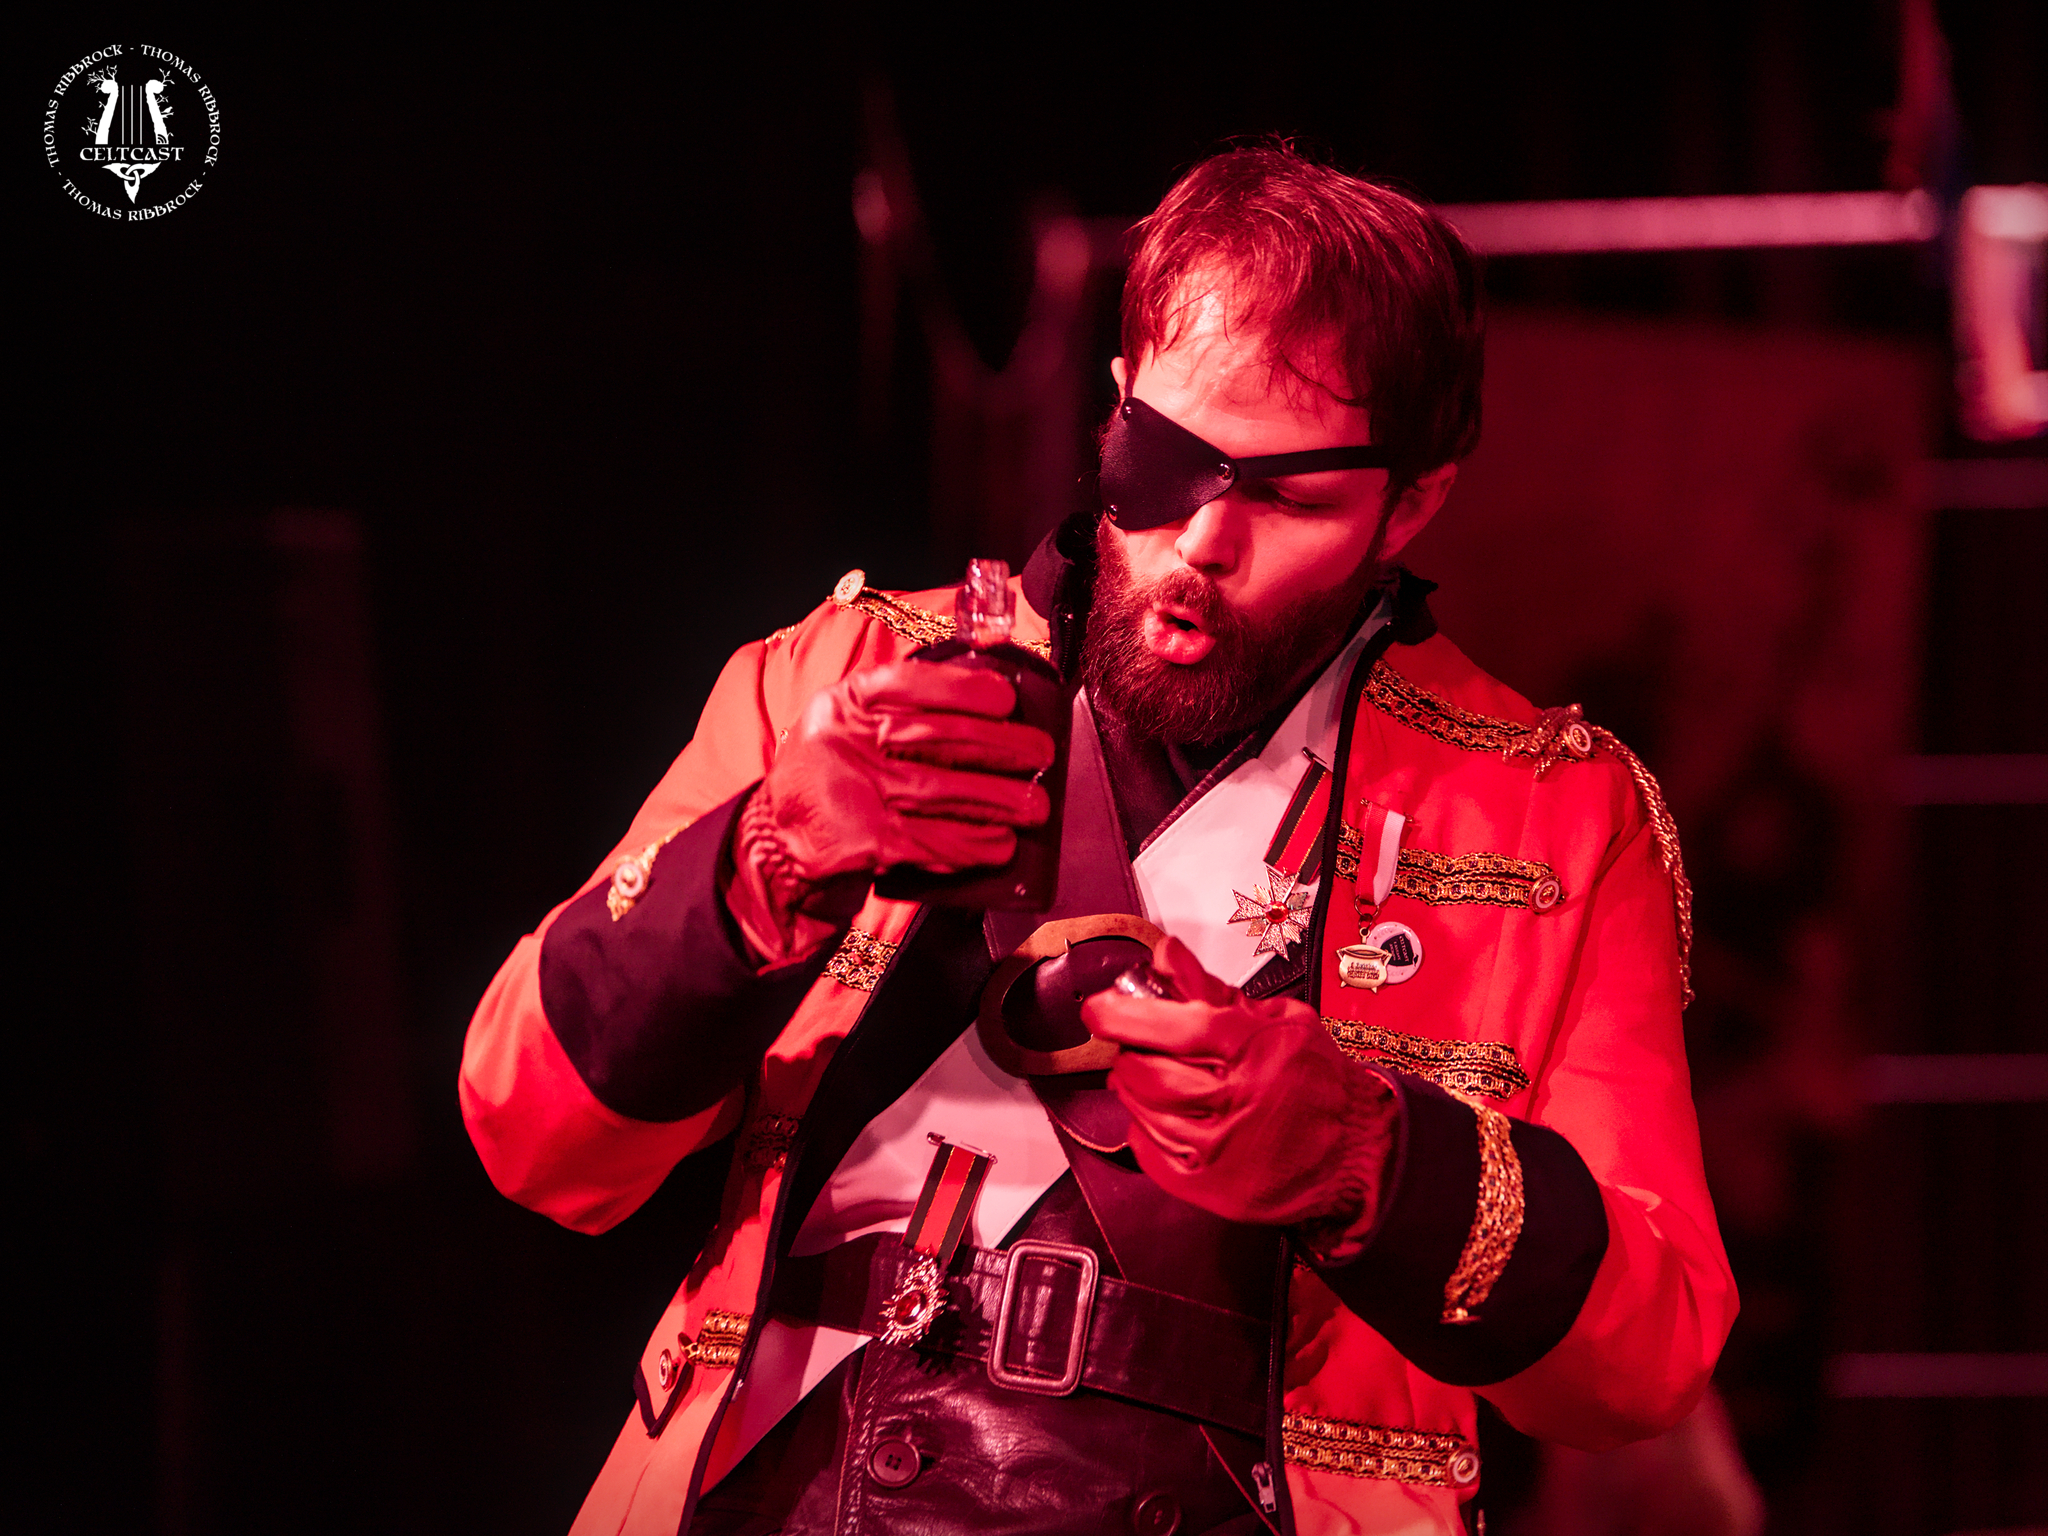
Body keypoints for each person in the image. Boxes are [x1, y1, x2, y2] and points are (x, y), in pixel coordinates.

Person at [460, 147, 1737, 1536]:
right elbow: (530, 1135)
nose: (1201, 541)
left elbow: (1648, 1353)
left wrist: (1373, 1160)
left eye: (1290, 496)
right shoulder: (835, 677)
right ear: (1119, 400)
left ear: (1411, 505)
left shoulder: (1554, 811)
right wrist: (760, 863)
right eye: (1167, 461)